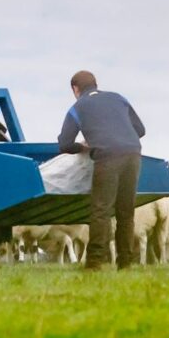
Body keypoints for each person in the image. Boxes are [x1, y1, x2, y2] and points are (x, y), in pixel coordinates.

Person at [58, 70, 145, 270]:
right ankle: (125, 263)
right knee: (126, 211)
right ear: (96, 84)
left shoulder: (77, 107)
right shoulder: (119, 98)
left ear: (75, 89)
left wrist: (84, 146)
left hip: (107, 157)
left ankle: (95, 263)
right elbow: (140, 130)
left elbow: (64, 144)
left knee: (101, 211)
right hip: (133, 154)